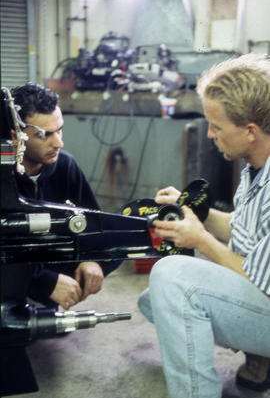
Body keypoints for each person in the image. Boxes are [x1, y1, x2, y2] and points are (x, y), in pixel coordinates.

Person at [138, 53, 270, 398]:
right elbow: (246, 231)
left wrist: (201, 240)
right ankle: (262, 357)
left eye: (217, 126)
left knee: (173, 279)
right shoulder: (255, 164)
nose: (210, 134)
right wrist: (196, 212)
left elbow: (261, 276)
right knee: (153, 302)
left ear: (251, 131)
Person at [11, 82, 121, 310]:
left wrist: (92, 260)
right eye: (45, 135)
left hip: (43, 262)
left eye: (60, 129)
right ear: (16, 136)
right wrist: (43, 281)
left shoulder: (65, 165)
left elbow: (96, 224)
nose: (59, 142)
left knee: (118, 243)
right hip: (12, 270)